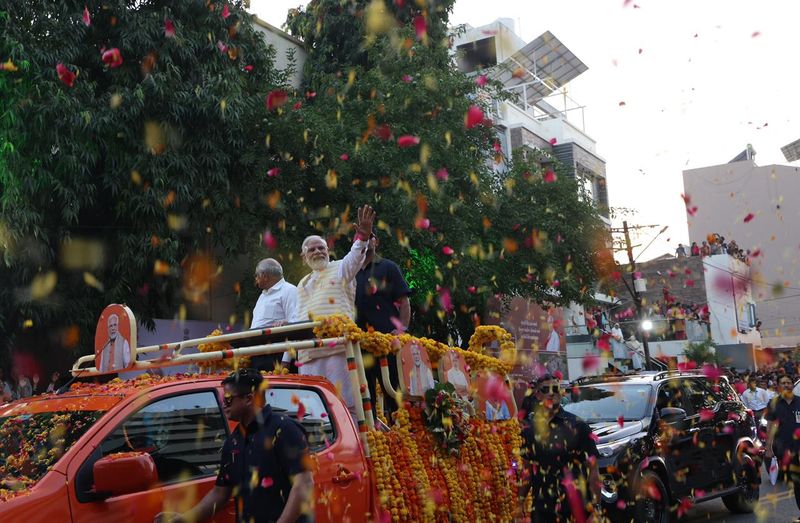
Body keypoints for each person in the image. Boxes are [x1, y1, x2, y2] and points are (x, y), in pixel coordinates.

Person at [154, 369, 313, 523]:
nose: (223, 405)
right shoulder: (233, 441)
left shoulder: (284, 429)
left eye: (228, 399)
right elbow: (220, 493)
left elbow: (304, 483)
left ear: (249, 398)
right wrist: (184, 519)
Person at [283, 205, 375, 415]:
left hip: (337, 351)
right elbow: (297, 319)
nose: (317, 252)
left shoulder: (341, 268)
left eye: (321, 248)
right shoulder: (302, 283)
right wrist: (285, 361)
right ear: (303, 257)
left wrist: (362, 235)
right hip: (308, 354)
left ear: (328, 251)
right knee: (314, 410)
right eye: (312, 249)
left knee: (345, 406)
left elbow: (356, 256)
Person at [518, 374, 600, 522]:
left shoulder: (578, 426)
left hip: (574, 509)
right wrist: (520, 502)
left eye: (555, 388)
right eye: (545, 389)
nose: (551, 392)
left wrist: (596, 509)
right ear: (537, 394)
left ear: (561, 391)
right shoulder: (529, 430)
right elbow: (527, 470)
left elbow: (593, 470)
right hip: (542, 511)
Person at [355, 229, 411, 418]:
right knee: (364, 393)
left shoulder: (388, 267)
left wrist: (401, 330)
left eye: (369, 237)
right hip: (359, 344)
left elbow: (404, 301)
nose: (364, 240)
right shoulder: (350, 271)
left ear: (375, 242)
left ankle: (401, 435)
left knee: (393, 390)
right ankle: (373, 437)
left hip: (388, 341)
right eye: (359, 237)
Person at [250, 258, 298, 372]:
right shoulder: (262, 296)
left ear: (264, 275)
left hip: (277, 356)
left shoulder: (289, 291)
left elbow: (296, 326)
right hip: (257, 356)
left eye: (256, 275)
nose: (256, 279)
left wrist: (286, 360)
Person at [764, 375, 800, 522]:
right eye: (783, 383)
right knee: (797, 483)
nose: (786, 385)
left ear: (792, 385)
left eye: (789, 382)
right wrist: (768, 447)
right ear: (778, 386)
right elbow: (770, 426)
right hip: (787, 450)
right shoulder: (773, 403)